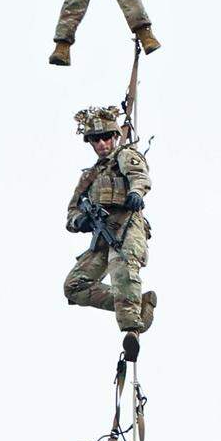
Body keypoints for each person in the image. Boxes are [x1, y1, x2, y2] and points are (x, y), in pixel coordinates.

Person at [63, 105, 157, 351]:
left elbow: (139, 175)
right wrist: (79, 221)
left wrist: (136, 193)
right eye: (96, 139)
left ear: (115, 136)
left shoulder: (124, 156)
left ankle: (131, 331)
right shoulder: (90, 177)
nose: (103, 143)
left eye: (106, 137)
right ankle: (136, 303)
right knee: (74, 286)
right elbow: (72, 211)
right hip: (102, 235)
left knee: (122, 270)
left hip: (126, 226)